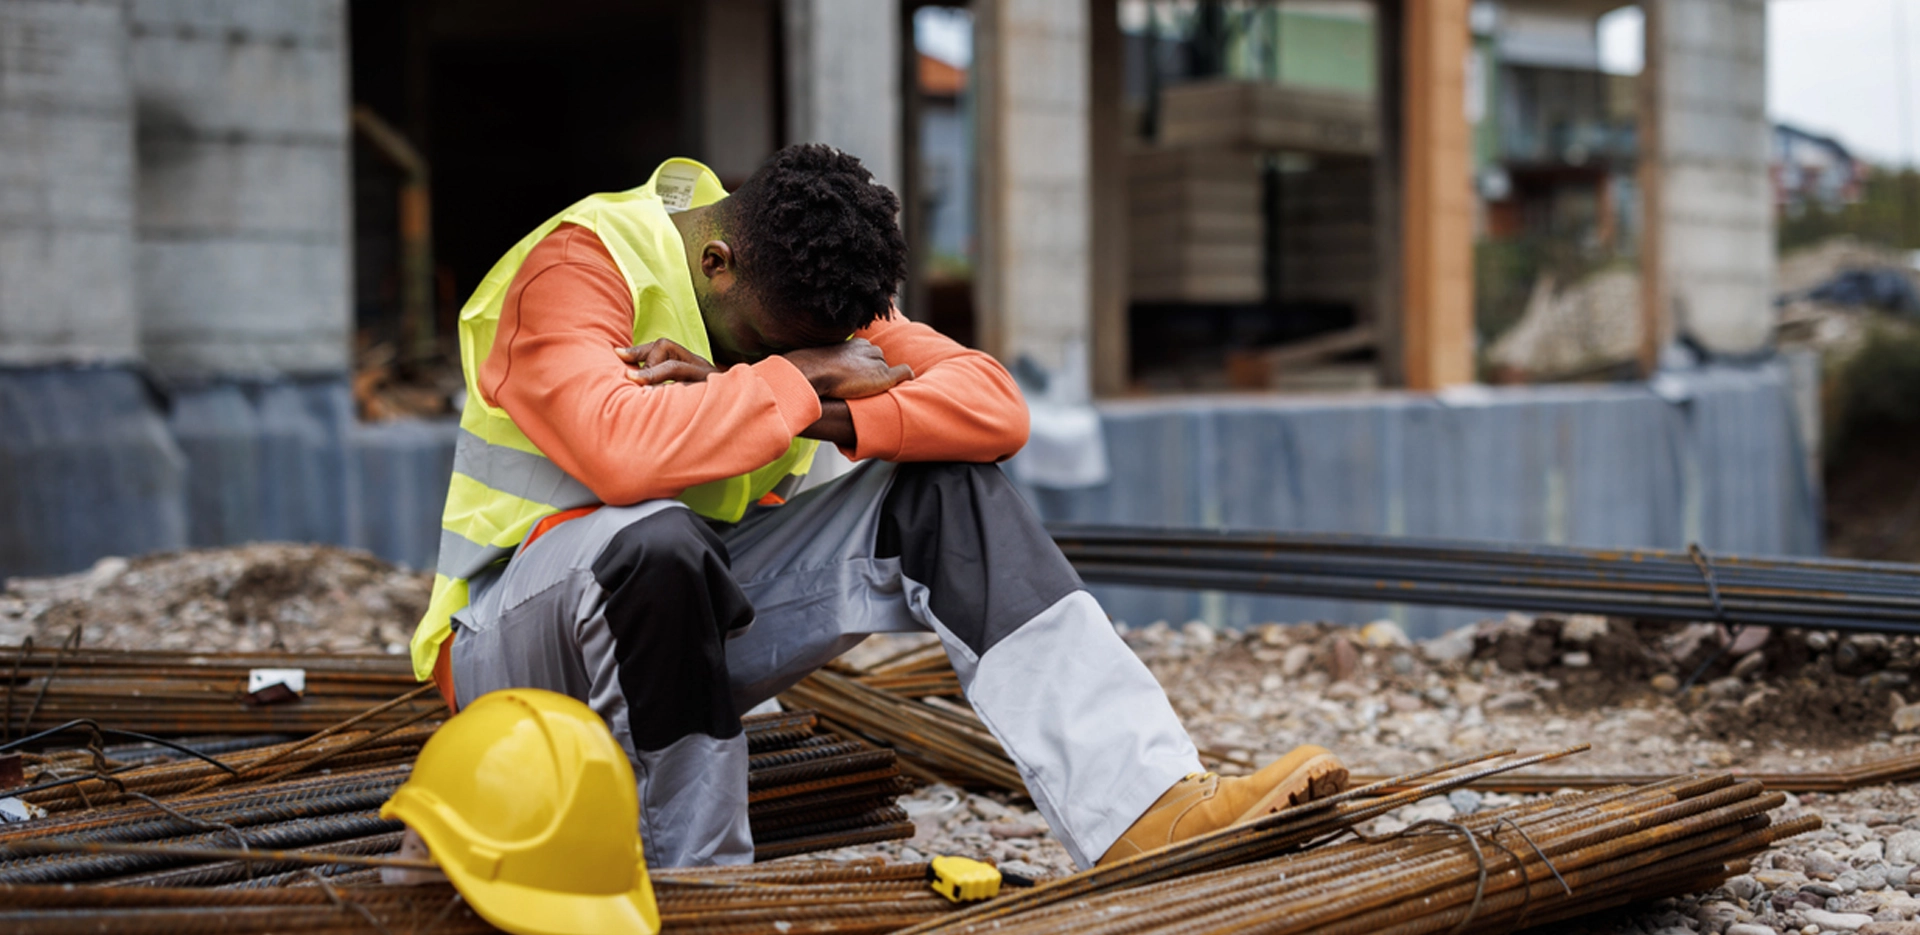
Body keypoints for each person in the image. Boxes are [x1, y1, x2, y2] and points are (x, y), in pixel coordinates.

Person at [409, 143, 1348, 870]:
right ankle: (705, 886)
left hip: (695, 625)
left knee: (949, 485)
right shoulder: (577, 269)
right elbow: (620, 453)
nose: (797, 358)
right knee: (653, 541)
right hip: (517, 653)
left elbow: (992, 405)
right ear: (722, 261)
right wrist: (799, 372)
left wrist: (820, 406)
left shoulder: (814, 284)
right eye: (772, 345)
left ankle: (1147, 807)